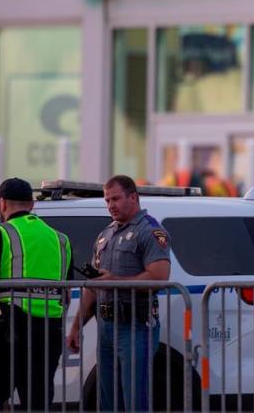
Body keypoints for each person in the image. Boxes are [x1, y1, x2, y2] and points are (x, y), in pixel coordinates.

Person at [0, 178, 72, 410]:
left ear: (1, 204)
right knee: (38, 400)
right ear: (32, 205)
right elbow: (66, 295)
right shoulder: (61, 239)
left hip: (9, 329)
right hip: (50, 331)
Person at [67, 175, 171, 411]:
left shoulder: (151, 231)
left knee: (135, 399)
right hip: (106, 326)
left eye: (115, 199)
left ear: (133, 197)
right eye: (107, 200)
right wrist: (75, 328)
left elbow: (158, 277)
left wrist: (116, 281)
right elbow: (95, 286)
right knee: (107, 401)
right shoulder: (106, 235)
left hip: (135, 325)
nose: (111, 205)